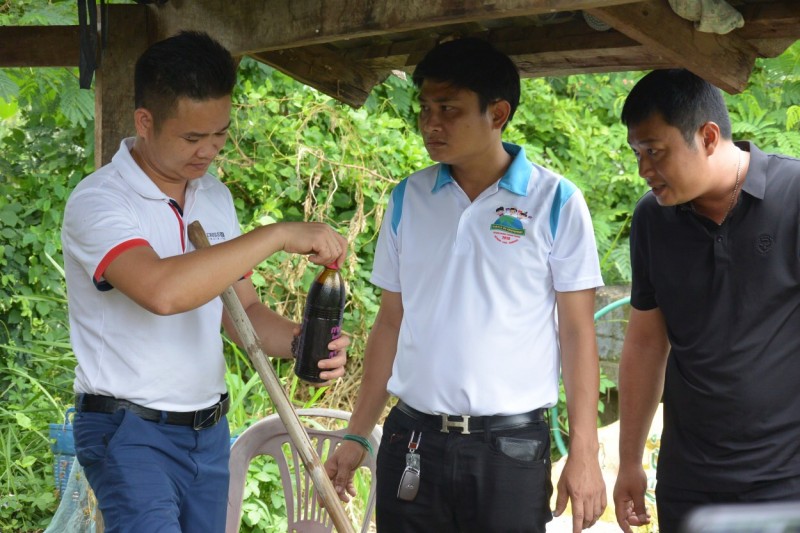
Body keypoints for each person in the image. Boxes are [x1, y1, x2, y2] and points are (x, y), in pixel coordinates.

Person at [61, 31, 350, 533]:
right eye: (192, 138)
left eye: (219, 134)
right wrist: (279, 234)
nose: (209, 150)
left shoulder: (213, 196)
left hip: (208, 430)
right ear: (145, 122)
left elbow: (243, 315)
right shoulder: (100, 201)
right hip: (130, 432)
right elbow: (162, 291)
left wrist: (306, 344)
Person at [324, 37, 607, 533]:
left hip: (511, 449)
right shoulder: (408, 198)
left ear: (497, 114)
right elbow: (390, 323)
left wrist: (584, 450)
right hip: (412, 438)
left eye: (449, 109)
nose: (431, 122)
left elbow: (579, 332)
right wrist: (357, 432)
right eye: (426, 107)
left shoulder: (555, 201)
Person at [612, 69, 800, 533]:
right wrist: (630, 462)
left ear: (709, 136)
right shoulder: (653, 219)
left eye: (655, 151)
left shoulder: (793, 196)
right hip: (688, 481)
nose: (643, 170)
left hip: (787, 482)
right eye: (637, 153)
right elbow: (645, 345)